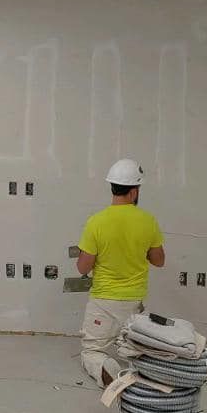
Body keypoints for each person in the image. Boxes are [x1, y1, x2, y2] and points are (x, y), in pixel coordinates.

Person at [76, 158, 165, 386]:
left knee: (92, 351)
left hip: (103, 302)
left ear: (112, 187)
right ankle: (141, 370)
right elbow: (159, 261)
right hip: (134, 304)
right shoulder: (148, 221)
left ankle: (108, 372)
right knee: (134, 350)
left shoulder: (96, 222)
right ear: (134, 192)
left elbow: (82, 267)